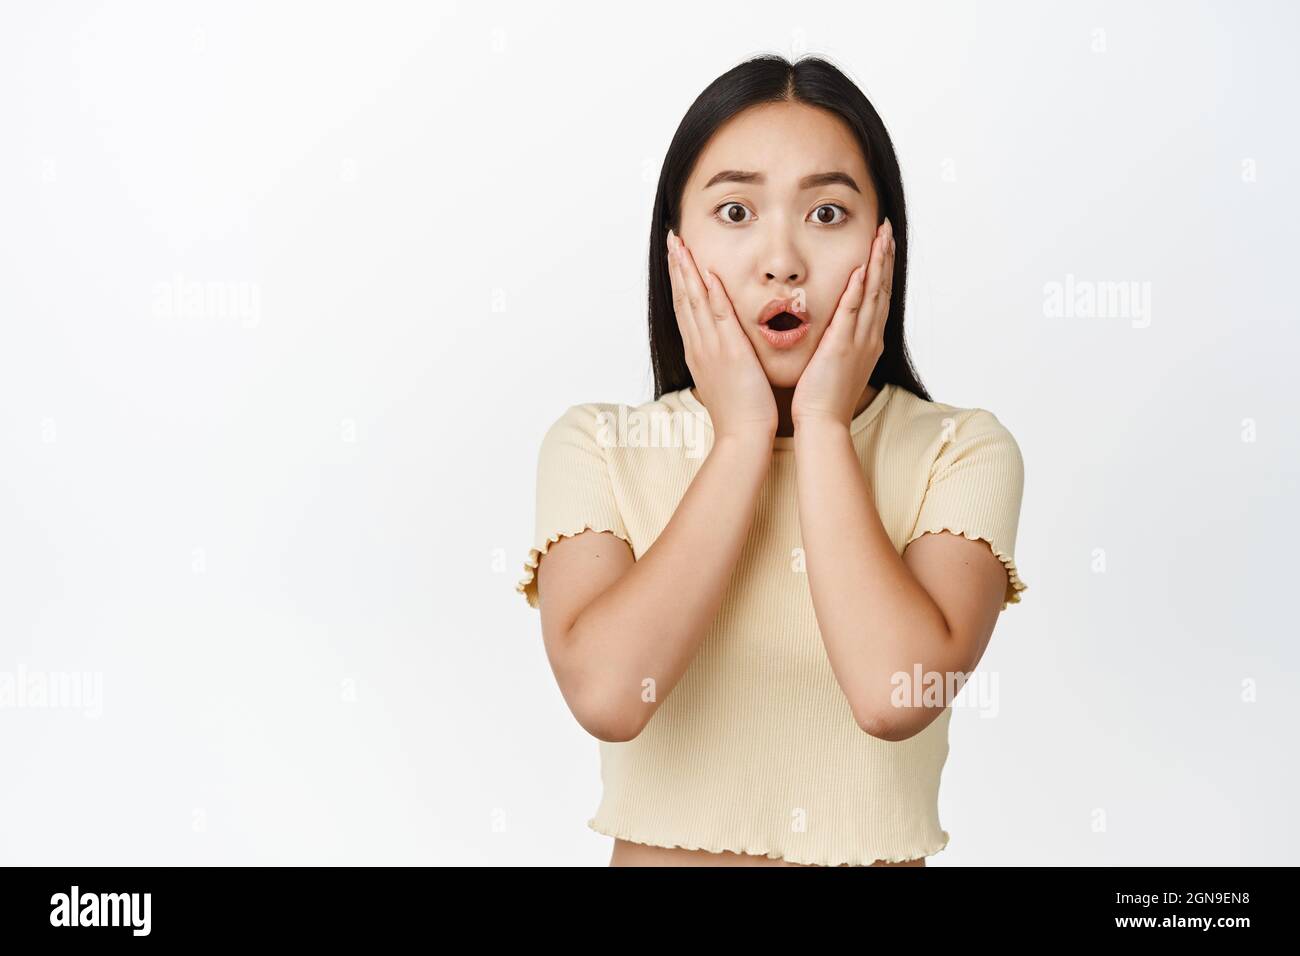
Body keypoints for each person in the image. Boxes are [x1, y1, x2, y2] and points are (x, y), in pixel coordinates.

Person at [516, 53, 1027, 867]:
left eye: (827, 214)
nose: (782, 261)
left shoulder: (958, 451)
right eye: (735, 210)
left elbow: (895, 696)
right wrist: (741, 437)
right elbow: (610, 696)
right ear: (675, 247)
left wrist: (821, 426)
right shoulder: (599, 447)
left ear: (886, 243)